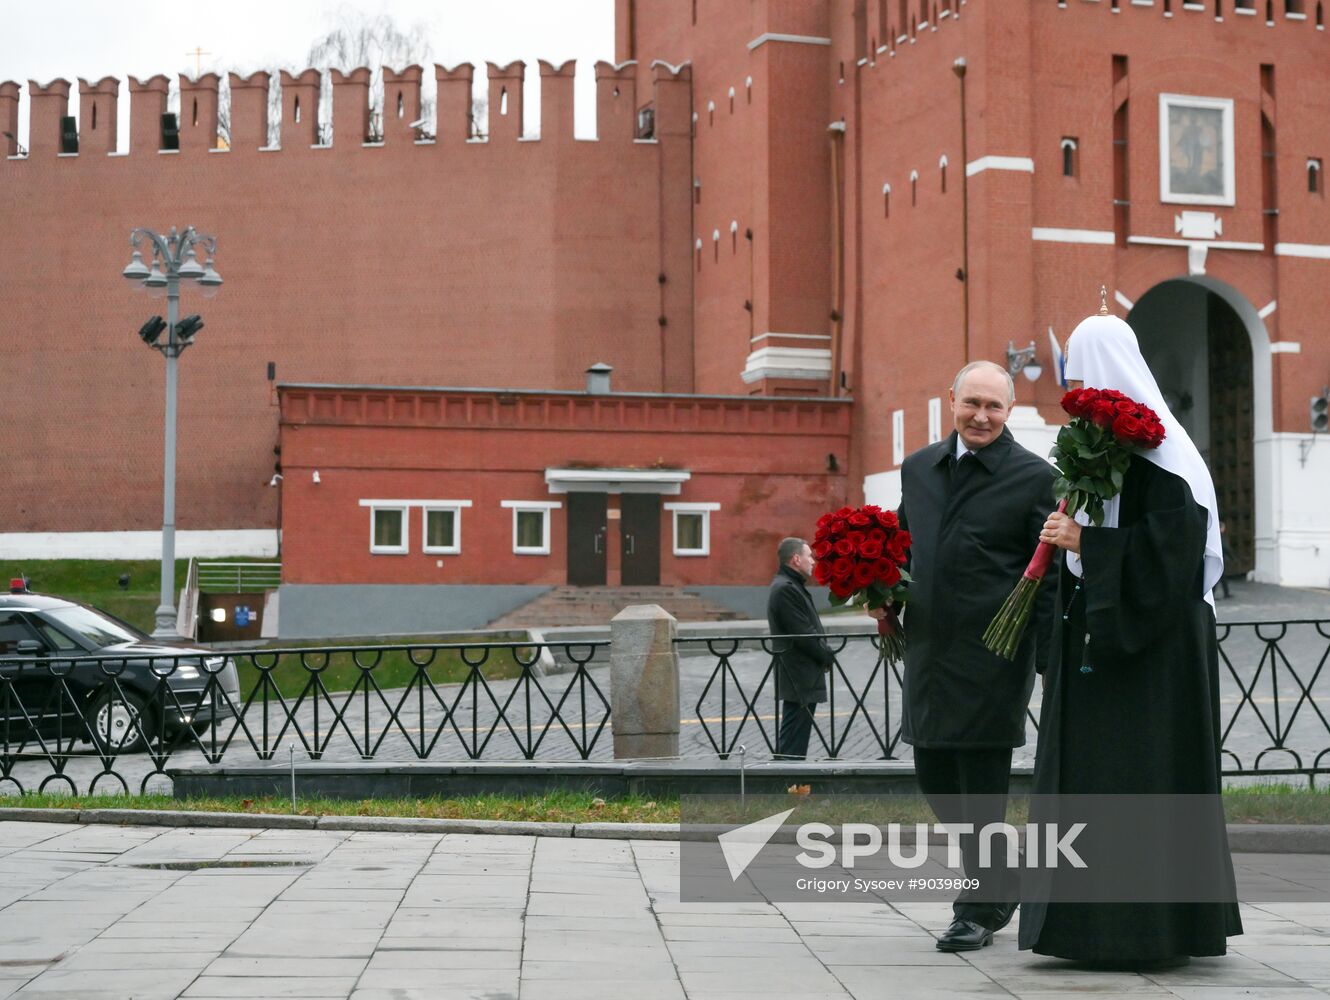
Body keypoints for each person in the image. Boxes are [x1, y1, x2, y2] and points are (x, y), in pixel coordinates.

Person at [1020, 311, 1243, 966]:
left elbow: (1172, 563)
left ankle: (1147, 929)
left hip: (1155, 659)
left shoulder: (1169, 462)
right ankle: (1081, 926)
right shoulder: (1098, 456)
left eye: (1083, 376)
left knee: (1145, 778)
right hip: (1102, 646)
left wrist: (1088, 542)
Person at [876, 361, 1056, 952]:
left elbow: (1050, 574)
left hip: (993, 656)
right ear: (951, 398)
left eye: (994, 407)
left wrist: (1047, 654)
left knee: (980, 786)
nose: (981, 416)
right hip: (928, 649)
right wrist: (880, 590)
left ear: (1009, 411)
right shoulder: (919, 467)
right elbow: (905, 542)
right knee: (933, 772)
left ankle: (977, 907)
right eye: (972, 403)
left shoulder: (1036, 478)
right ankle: (1003, 880)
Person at [767, 536, 835, 760]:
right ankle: (787, 784)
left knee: (796, 734)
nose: (813, 561)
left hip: (801, 674)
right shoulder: (786, 589)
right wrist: (826, 654)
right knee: (793, 739)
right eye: (809, 556)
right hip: (798, 673)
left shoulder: (791, 585)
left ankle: (792, 784)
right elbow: (803, 633)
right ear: (796, 559)